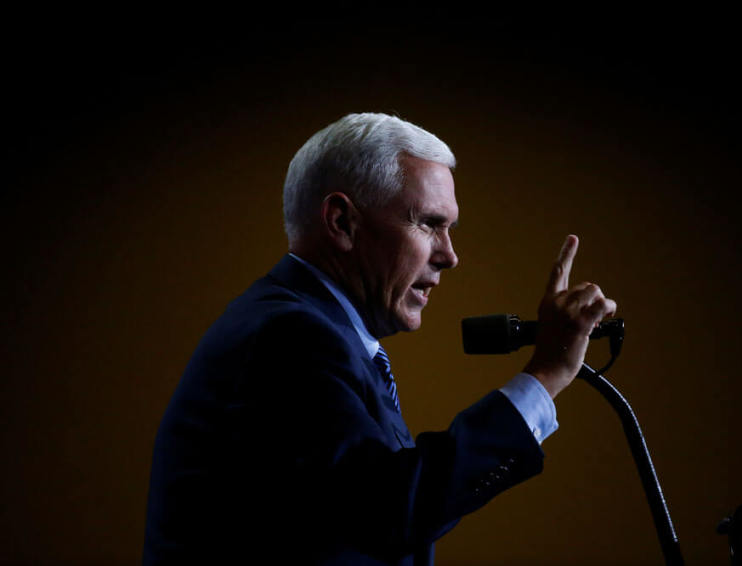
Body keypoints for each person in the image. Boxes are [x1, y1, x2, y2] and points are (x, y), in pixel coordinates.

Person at [142, 113, 616, 565]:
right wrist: (547, 373)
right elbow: (391, 508)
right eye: (429, 224)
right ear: (342, 223)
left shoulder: (316, 329)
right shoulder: (289, 336)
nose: (450, 256)